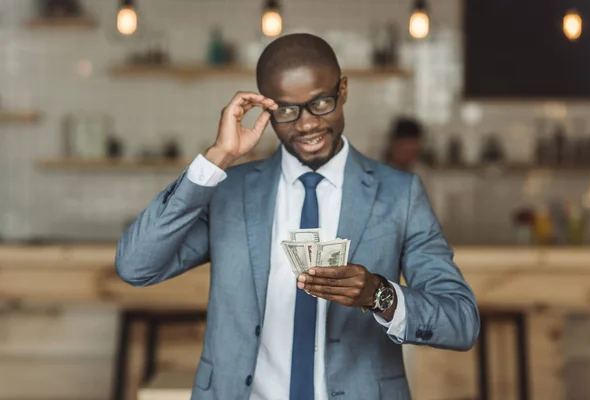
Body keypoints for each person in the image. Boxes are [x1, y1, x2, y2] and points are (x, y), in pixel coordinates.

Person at [115, 33, 479, 400]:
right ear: (266, 110)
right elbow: (136, 266)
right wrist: (217, 159)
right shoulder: (229, 191)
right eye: (286, 110)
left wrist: (378, 294)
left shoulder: (400, 194)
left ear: (344, 91)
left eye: (321, 102)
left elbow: (461, 323)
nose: (306, 125)